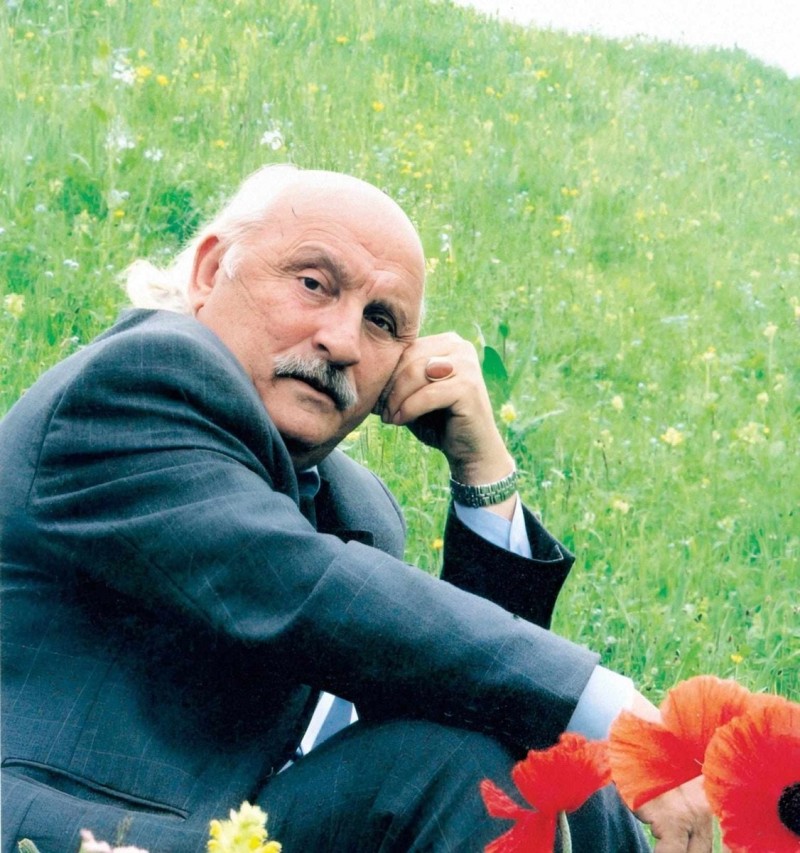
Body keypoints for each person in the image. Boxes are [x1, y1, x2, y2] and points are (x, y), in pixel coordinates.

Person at [0, 165, 710, 852]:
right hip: (84, 830)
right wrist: (603, 704)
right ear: (212, 271)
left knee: (556, 775)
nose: (341, 342)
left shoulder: (355, 503)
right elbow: (296, 587)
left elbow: (479, 694)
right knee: (455, 771)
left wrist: (482, 472)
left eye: (380, 321)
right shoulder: (136, 384)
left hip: (241, 831)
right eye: (314, 284)